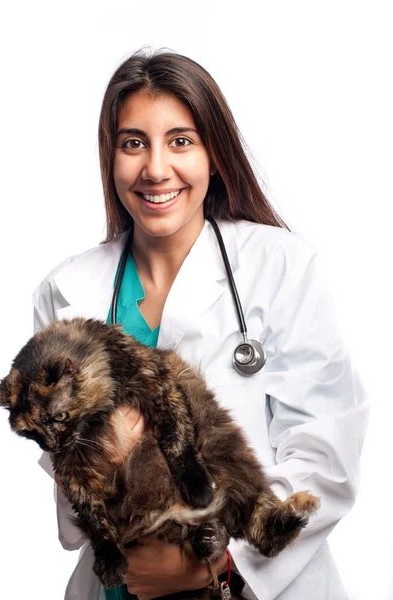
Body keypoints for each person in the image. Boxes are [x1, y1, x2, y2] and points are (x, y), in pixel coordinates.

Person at [34, 48, 369, 600]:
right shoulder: (66, 293)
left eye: (181, 141)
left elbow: (325, 457)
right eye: (133, 142)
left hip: (249, 580)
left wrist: (217, 565)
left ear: (214, 154)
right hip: (123, 582)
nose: (156, 168)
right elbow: (65, 468)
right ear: (110, 156)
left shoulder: (279, 267)